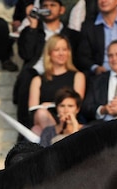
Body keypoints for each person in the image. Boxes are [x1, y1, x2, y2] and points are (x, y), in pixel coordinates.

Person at [13, 0, 80, 128]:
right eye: (45, 6)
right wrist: (32, 26)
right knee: (27, 76)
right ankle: (24, 128)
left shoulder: (72, 35)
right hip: (37, 73)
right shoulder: (32, 31)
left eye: (52, 5)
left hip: (62, 72)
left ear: (62, 10)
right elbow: (26, 54)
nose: (48, 9)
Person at [27, 34, 86, 134]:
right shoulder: (37, 80)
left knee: (37, 130)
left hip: (69, 118)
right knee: (38, 121)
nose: (61, 53)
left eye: (64, 49)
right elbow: (33, 110)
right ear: (49, 53)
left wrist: (52, 104)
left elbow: (76, 104)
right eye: (57, 50)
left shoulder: (78, 76)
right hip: (45, 119)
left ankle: (56, 141)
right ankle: (56, 141)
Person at [74, 0, 117, 76]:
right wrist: (95, 68)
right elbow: (83, 56)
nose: (104, 1)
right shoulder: (88, 26)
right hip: (100, 75)